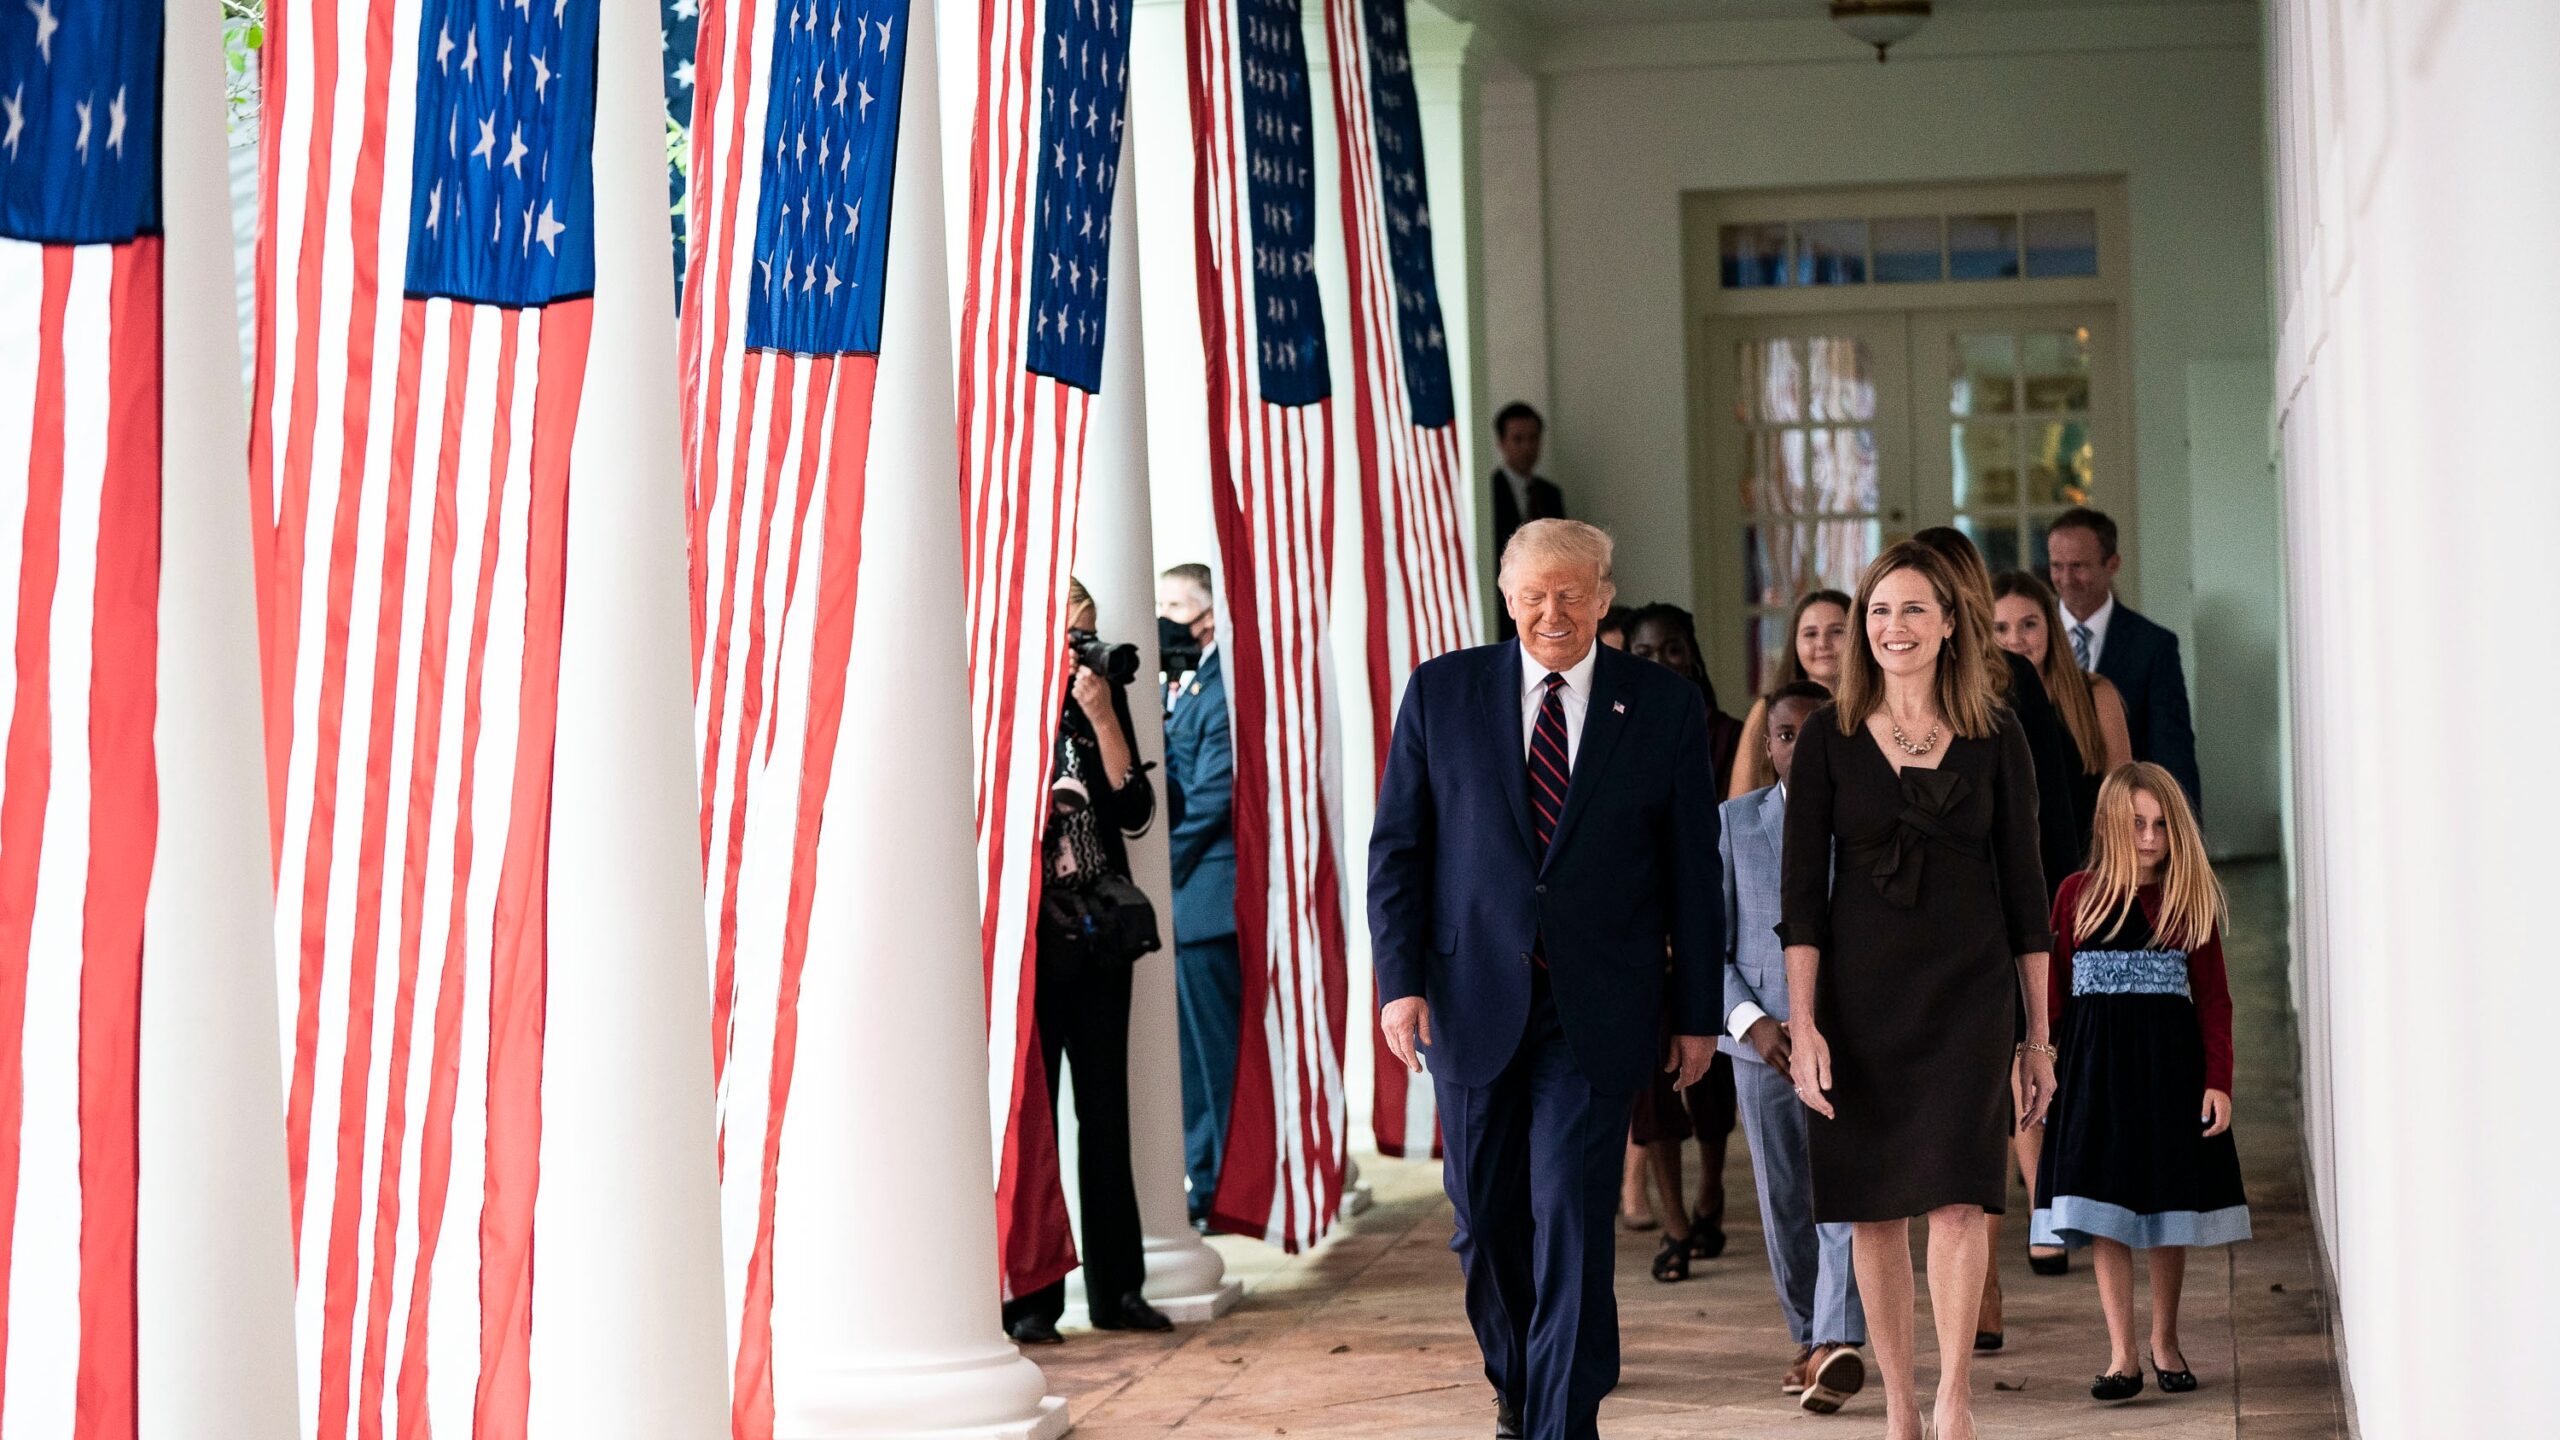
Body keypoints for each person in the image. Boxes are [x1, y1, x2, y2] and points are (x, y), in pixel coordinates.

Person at [1370, 519, 1722, 1440]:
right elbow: (1399, 850)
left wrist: (1698, 1015)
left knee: (1571, 1217)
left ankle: (1562, 1422)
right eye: (1533, 595)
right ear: (1506, 596)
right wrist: (1399, 982)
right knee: (1483, 1222)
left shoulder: (1663, 706)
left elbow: (1693, 871)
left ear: (1605, 597)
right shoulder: (1441, 691)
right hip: (1468, 998)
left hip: (1597, 1006)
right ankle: (1520, 1384)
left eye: (1571, 594)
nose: (1551, 613)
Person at [1780, 540, 2057, 1440]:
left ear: (1947, 625)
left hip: (1970, 997)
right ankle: (1901, 1407)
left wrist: (2038, 1038)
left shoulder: (1997, 734)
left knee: (1960, 1198)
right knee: (1873, 1207)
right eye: (1878, 611)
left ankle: (1954, 1396)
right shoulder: (1827, 737)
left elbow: (2028, 897)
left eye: (1911, 610)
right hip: (1859, 1004)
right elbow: (1799, 901)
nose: (1892, 627)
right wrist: (1804, 1024)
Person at [2033, 764, 2249, 1402]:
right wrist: (2039, 1064)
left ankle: (2165, 1339)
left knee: (2165, 1211)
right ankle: (2121, 1353)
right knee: (2107, 1212)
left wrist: (2218, 1080)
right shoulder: (2076, 896)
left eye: (2160, 825)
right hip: (2095, 1080)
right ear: (2109, 825)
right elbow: (2053, 995)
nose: (2150, 838)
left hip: (2168, 1078)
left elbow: (2215, 1001)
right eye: (2136, 824)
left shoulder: (2186, 902)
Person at [1002, 580, 1175, 1345]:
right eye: (1076, 633)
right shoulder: (1001, 695)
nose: (1086, 646)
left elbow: (1135, 812)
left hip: (1100, 933)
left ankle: (1119, 1290)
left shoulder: (1099, 696)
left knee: (1106, 1113)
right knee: (1032, 1121)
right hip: (1031, 940)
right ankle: (1032, 1297)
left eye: (1090, 631)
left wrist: (1103, 716)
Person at [1722, 679, 1867, 1413]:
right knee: (1785, 1197)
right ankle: (1808, 1334)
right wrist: (1751, 1021)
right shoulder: (1732, 825)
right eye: (1785, 734)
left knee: (1845, 1190)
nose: (1799, 747)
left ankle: (1835, 1341)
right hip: (1764, 1046)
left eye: (1814, 734)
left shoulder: (1866, 820)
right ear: (1767, 745)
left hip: (1849, 1038)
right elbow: (1705, 943)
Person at [1621, 603, 1744, 1265]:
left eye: (1671, 648)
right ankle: (1673, 1223)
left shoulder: (1730, 735)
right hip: (1638, 930)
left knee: (1713, 1073)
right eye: (1643, 652)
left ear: (1691, 653)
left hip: (1713, 924)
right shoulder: (1611, 733)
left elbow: (1735, 839)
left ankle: (1710, 1193)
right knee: (1651, 1079)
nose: (1660, 662)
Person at [1159, 563, 1239, 1228]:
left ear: (1208, 617)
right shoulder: (1179, 685)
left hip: (1206, 899)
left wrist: (1158, 864)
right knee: (1187, 1058)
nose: (1163, 618)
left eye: (1175, 606)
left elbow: (1212, 794)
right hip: (1185, 905)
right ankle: (1203, 1176)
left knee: (1217, 1056)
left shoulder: (1222, 691)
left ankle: (1227, 1185)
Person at [2045, 507, 2202, 812]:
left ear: (2113, 564)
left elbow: (2173, 752)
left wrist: (2182, 829)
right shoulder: (2029, 637)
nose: (2065, 579)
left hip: (2125, 817)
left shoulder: (2153, 646)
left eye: (2078, 566)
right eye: (2056, 566)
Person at [1993, 569, 2132, 849]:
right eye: (2000, 628)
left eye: (2029, 624)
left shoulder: (2097, 694)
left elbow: (2121, 793)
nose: (2015, 639)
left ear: (2051, 626)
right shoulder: (1980, 704)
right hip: (2012, 859)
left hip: (2088, 858)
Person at [1729, 589, 1854, 799]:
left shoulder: (1874, 709)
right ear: (1794, 642)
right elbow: (1738, 806)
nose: (1823, 643)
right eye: (1810, 634)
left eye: (1837, 631)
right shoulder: (1765, 709)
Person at [1488, 403, 1568, 638]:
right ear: (1502, 443)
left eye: (1533, 439)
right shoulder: (1488, 491)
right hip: (1503, 603)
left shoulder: (1550, 493)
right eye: (1518, 439)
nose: (1527, 447)